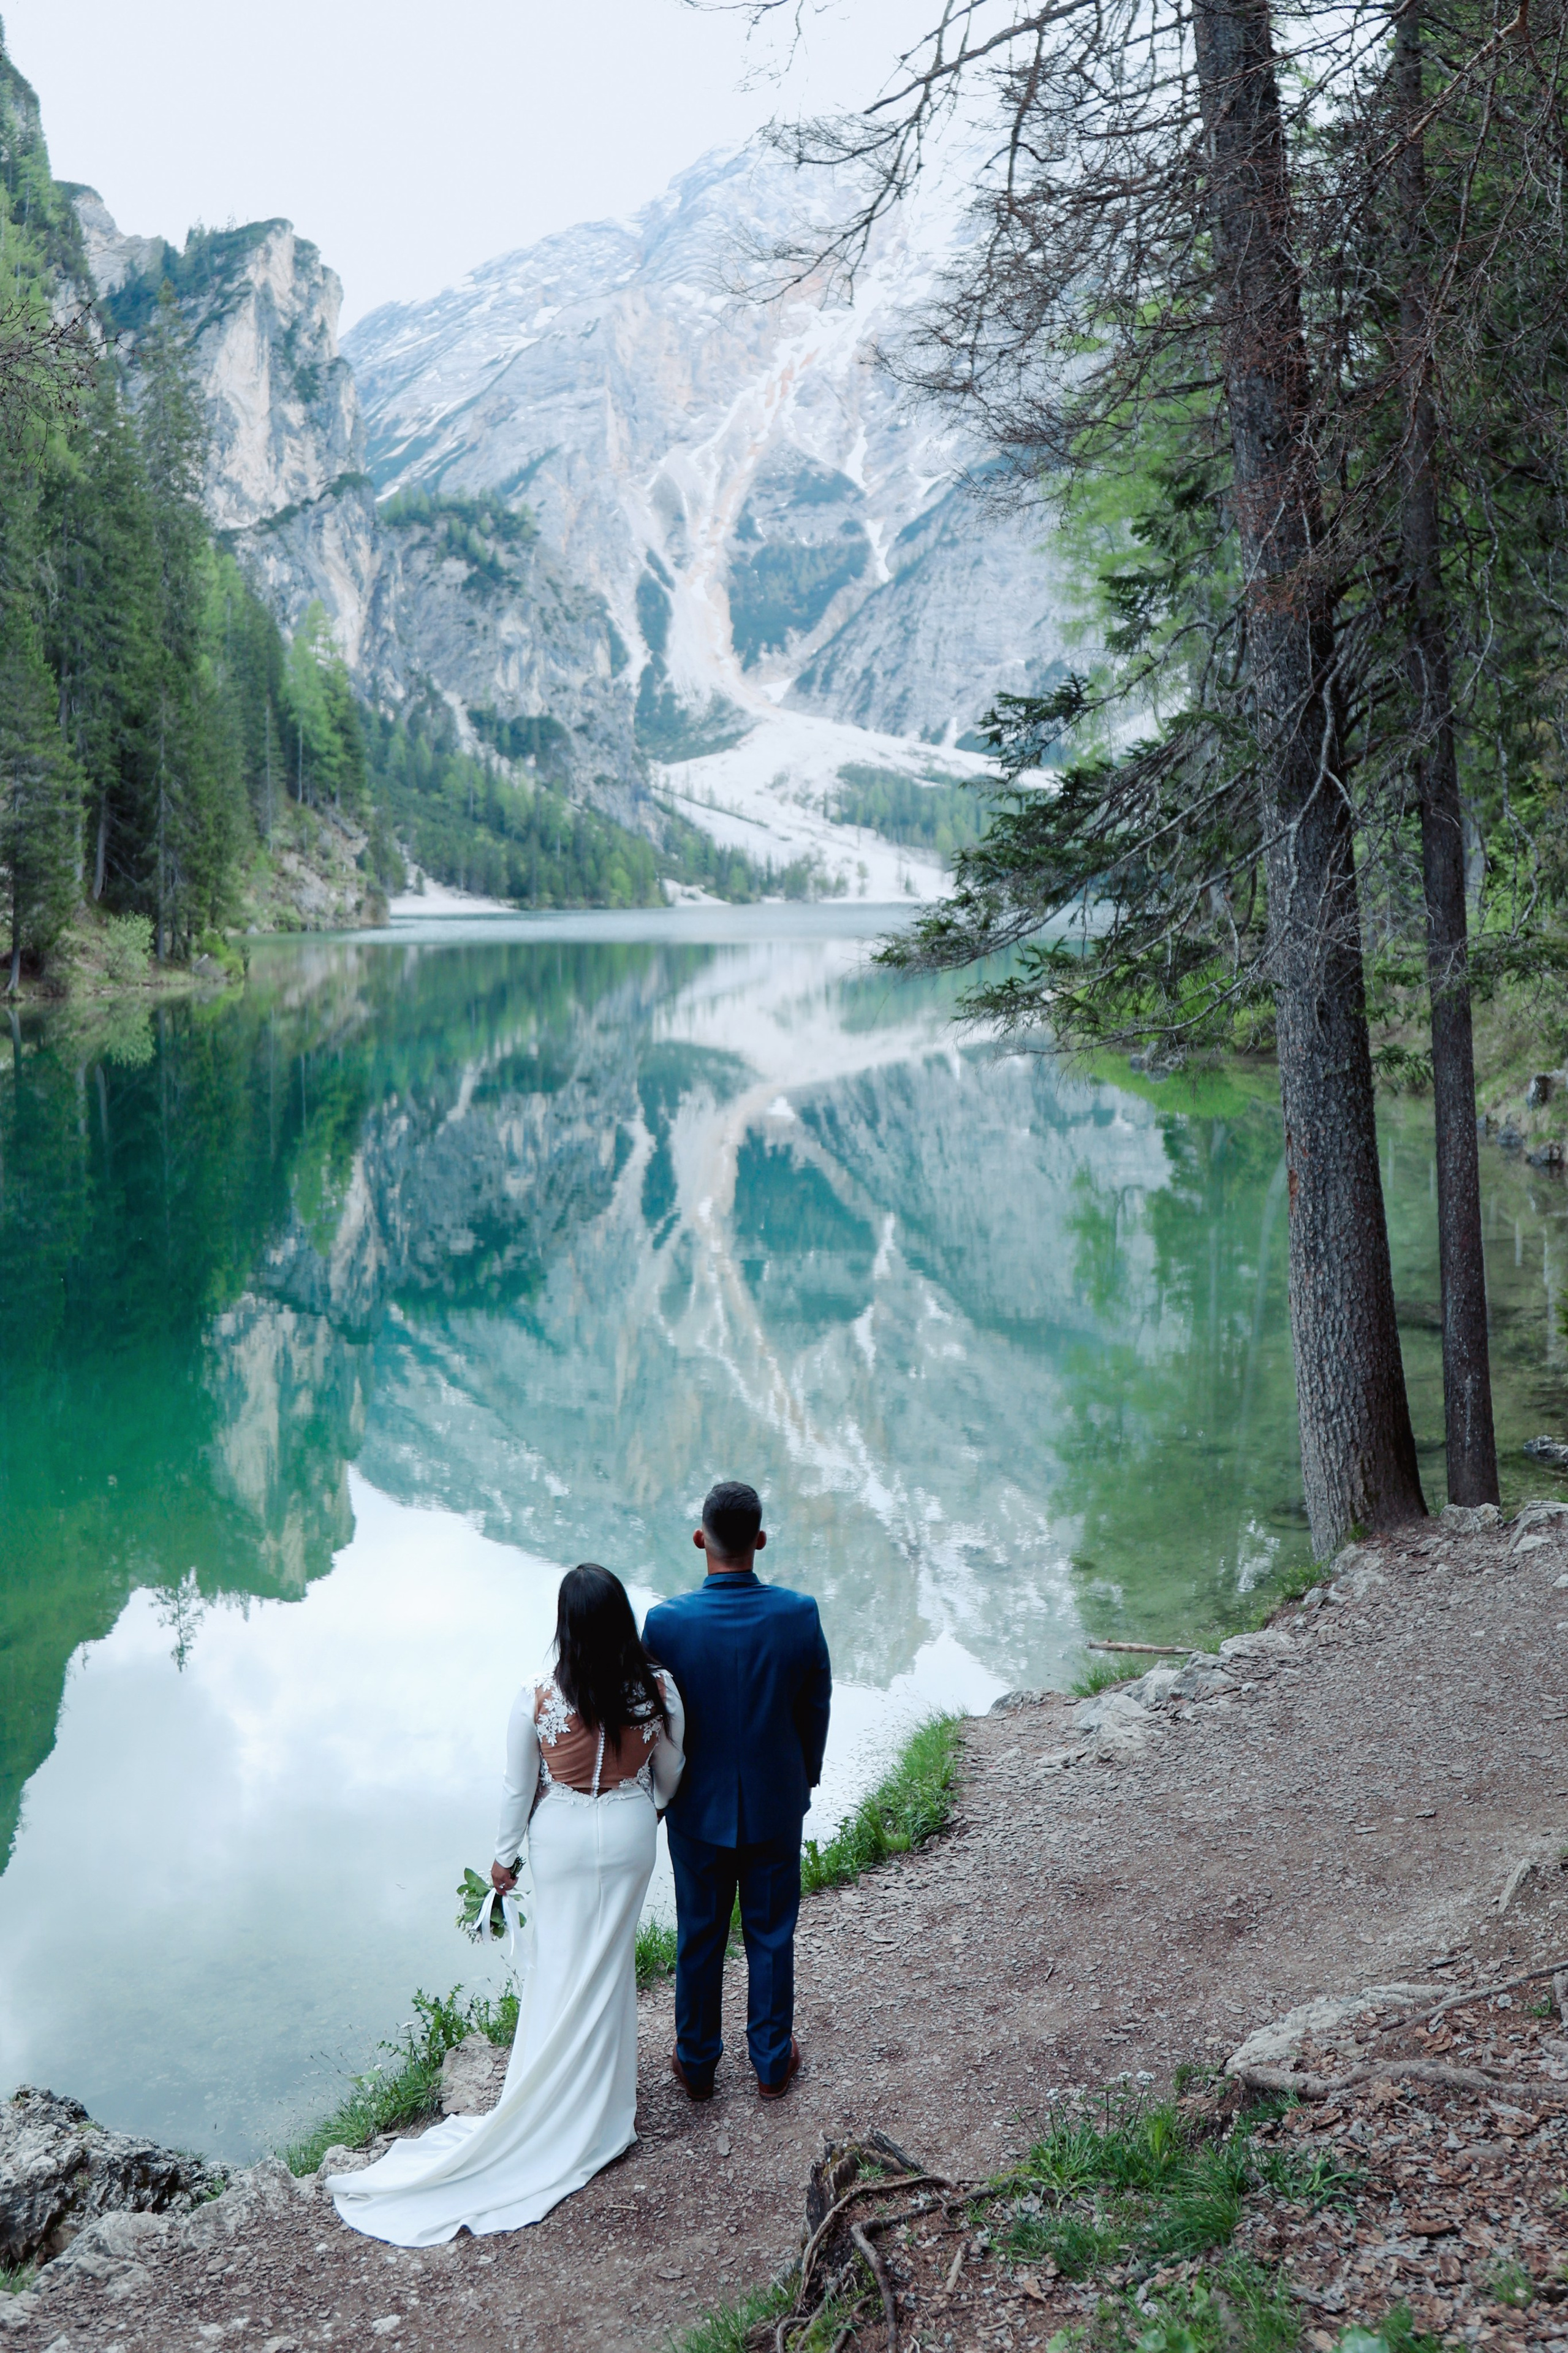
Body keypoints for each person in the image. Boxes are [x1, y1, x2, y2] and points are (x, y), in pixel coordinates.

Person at [326, 1564, 684, 2245]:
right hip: (633, 1833)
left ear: (567, 1623)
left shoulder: (538, 1694)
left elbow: (517, 1790)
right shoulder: (658, 1688)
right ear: (621, 1618)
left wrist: (503, 1858)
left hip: (566, 1839)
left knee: (560, 1968)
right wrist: (646, 1799)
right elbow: (671, 1772)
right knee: (609, 1970)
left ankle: (552, 2101)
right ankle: (606, 2112)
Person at [643, 1480, 831, 2102]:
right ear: (760, 1540)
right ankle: (772, 2061)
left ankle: (696, 2063)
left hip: (697, 1808)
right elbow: (815, 1703)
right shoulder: (799, 1613)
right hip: (776, 1803)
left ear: (701, 1539)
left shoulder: (665, 1623)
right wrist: (804, 1772)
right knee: (771, 1932)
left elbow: (651, 1717)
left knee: (699, 1931)